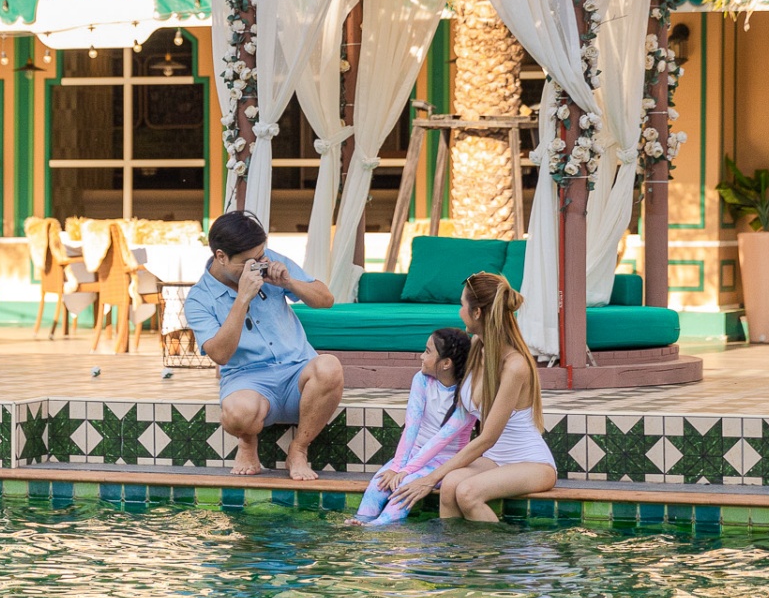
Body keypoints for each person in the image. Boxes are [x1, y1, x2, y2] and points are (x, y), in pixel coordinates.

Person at [184, 209, 344, 480]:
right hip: (248, 381)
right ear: (221, 256)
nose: (258, 264)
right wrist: (242, 298)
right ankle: (247, 442)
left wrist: (289, 282)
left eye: (260, 256)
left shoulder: (268, 259)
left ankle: (298, 449)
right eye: (248, 262)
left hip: (297, 372)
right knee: (237, 415)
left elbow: (325, 300)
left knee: (330, 367)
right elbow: (220, 355)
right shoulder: (199, 299)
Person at [391, 272, 556, 522]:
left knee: (467, 493)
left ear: (477, 312)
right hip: (495, 459)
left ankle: (505, 548)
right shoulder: (478, 347)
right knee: (450, 485)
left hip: (531, 463)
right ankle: (453, 548)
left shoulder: (515, 366)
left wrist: (430, 478)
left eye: (462, 305)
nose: (460, 312)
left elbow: (487, 438)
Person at [350, 328, 477, 527]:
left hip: (447, 460)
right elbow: (412, 426)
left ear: (446, 363)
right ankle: (359, 522)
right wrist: (396, 467)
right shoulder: (421, 379)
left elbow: (442, 439)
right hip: (415, 453)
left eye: (427, 351)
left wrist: (406, 471)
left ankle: (379, 526)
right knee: (378, 483)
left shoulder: (469, 394)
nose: (421, 356)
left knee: (406, 485)